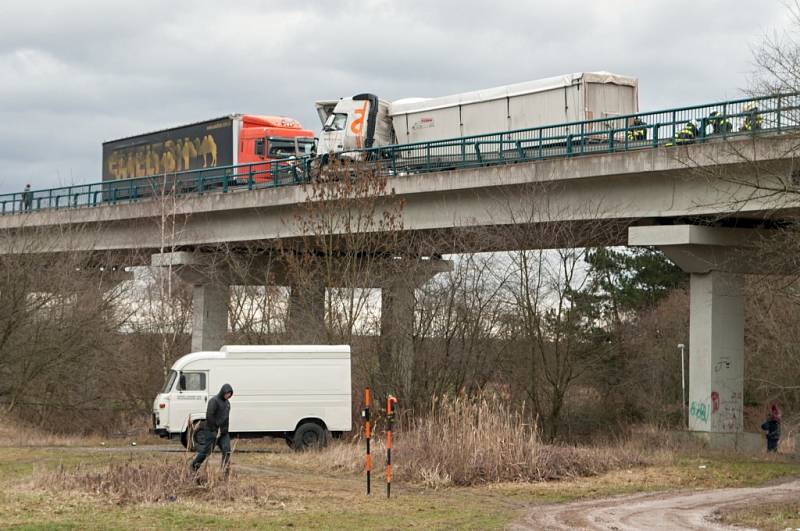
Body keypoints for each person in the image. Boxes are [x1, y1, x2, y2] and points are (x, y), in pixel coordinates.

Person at [191, 383, 233, 476]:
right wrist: (215, 430)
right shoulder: (214, 401)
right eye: (227, 393)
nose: (228, 395)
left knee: (227, 450)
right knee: (206, 452)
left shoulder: (227, 403)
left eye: (230, 394)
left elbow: (226, 419)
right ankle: (194, 466)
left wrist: (224, 430)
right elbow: (209, 416)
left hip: (223, 433)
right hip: (211, 431)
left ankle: (225, 473)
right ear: (222, 392)